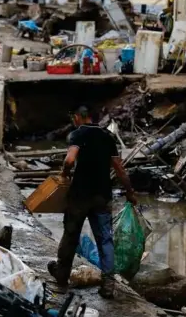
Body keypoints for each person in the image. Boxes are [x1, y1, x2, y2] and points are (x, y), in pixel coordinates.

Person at [47, 106, 137, 298]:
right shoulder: (107, 137)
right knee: (105, 240)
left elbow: (70, 160)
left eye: (75, 117)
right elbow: (119, 169)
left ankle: (62, 275)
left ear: (79, 117)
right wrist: (130, 192)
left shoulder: (77, 135)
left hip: (79, 195)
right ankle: (108, 285)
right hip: (102, 196)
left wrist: (64, 175)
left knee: (71, 235)